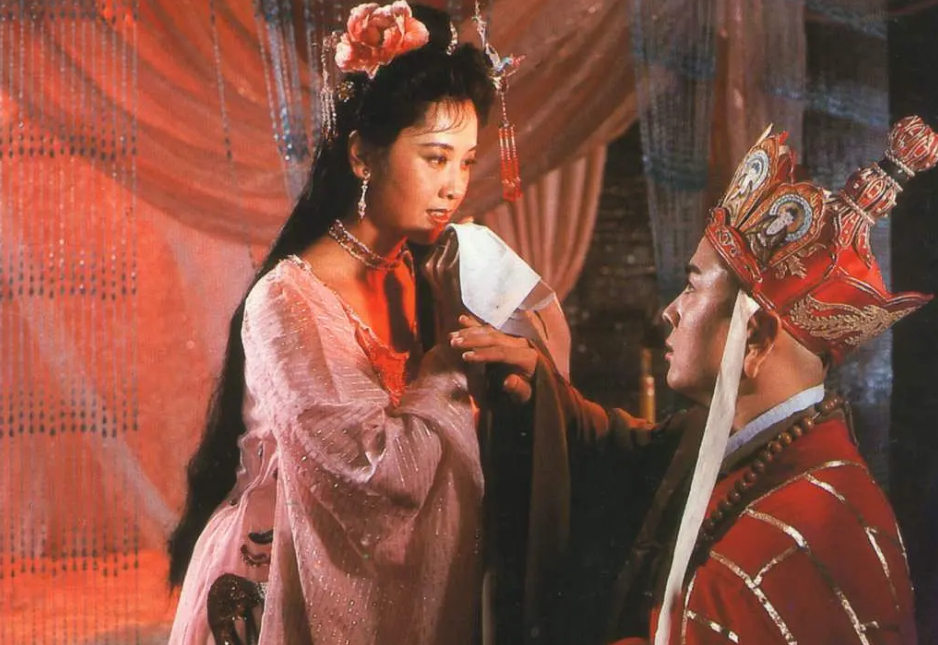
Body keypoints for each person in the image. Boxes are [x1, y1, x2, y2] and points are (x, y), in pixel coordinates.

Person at [452, 116, 937, 644]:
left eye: (692, 287)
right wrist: (539, 389)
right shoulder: (745, 446)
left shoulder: (792, 540)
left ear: (755, 339)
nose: (670, 311)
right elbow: (624, 453)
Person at [166, 4, 497, 644]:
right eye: (435, 158)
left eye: (466, 162)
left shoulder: (424, 273)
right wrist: (447, 368)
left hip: (381, 574)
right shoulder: (289, 301)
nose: (454, 186)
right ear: (363, 156)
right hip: (276, 574)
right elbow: (373, 470)